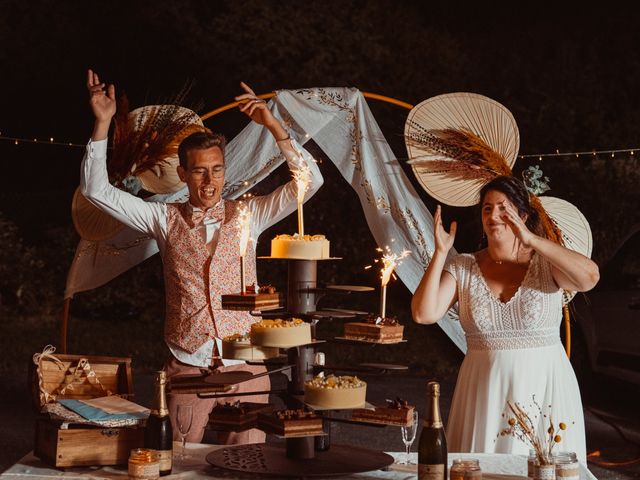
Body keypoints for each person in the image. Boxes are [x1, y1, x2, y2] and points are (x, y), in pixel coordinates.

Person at [81, 69, 323, 444]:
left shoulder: (250, 214)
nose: (209, 182)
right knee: (177, 461)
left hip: (247, 365)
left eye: (217, 170)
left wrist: (273, 125)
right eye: (198, 172)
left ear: (225, 170)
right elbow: (96, 190)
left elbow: (309, 182)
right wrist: (103, 123)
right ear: (182, 174)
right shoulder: (163, 218)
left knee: (249, 463)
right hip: (188, 364)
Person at [411, 175, 599, 462]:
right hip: (483, 394)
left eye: (504, 208)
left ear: (522, 215)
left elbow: (589, 278)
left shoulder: (545, 262)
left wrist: (532, 239)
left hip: (544, 392)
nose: (494, 216)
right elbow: (423, 313)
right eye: (487, 209)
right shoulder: (463, 266)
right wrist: (440, 253)